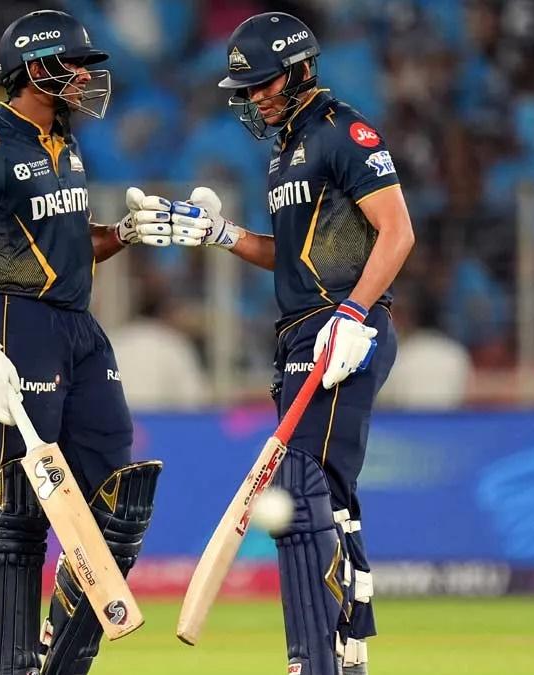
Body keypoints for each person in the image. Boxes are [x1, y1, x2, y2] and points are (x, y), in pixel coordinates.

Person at [0, 10, 174, 674]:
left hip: (76, 324)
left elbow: (72, 244)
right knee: (19, 501)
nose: (88, 77)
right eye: (76, 65)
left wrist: (128, 231)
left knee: (121, 490)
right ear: (38, 70)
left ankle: (58, 658)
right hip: (14, 322)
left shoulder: (66, 143)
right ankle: (11, 660)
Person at [164, 12, 416, 674]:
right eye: (244, 89)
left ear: (301, 70)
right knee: (324, 497)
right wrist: (222, 234)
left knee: (302, 492)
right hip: (302, 328)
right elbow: (292, 255)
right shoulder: (284, 151)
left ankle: (314, 659)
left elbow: (397, 230)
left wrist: (356, 312)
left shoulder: (343, 131)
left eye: (262, 85)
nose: (252, 98)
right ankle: (343, 651)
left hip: (343, 327)